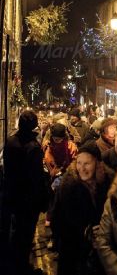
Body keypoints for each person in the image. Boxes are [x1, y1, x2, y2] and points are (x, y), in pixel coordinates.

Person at [51, 141, 110, 275]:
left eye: (87, 163)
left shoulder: (107, 183)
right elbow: (57, 220)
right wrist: (84, 232)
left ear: (97, 164)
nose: (81, 168)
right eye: (79, 163)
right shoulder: (68, 186)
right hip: (73, 251)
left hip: (100, 252)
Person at [2, 111, 49, 275]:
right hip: (28, 200)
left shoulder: (10, 141)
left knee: (15, 233)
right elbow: (36, 177)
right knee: (25, 234)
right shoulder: (33, 147)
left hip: (12, 195)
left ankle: (15, 264)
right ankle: (22, 267)